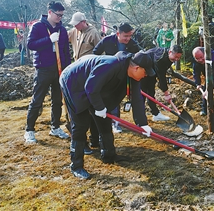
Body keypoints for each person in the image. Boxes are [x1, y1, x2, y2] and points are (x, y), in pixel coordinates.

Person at [59, 51, 155, 179]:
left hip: (93, 87)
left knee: (104, 119)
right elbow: (91, 88)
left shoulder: (133, 76)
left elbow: (137, 99)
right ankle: (76, 166)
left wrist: (143, 124)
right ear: (136, 68)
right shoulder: (111, 65)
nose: (146, 76)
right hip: (73, 82)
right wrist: (99, 107)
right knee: (81, 124)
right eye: (145, 72)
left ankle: (109, 155)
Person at [24, 1, 71, 143]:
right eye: (58, 15)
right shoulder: (37, 26)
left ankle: (55, 127)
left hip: (59, 68)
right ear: (50, 12)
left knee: (57, 100)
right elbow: (30, 45)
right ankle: (29, 130)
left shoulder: (62, 29)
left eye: (62, 15)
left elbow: (65, 51)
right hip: (43, 68)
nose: (60, 18)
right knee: (37, 100)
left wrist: (67, 69)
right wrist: (48, 40)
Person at [93, 22, 142, 134]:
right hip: (109, 76)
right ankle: (115, 122)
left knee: (127, 97)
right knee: (111, 99)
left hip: (125, 76)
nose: (128, 38)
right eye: (126, 36)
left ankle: (140, 123)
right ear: (118, 33)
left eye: (130, 36)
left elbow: (140, 55)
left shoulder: (132, 44)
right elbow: (95, 53)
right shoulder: (107, 41)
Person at [68, 11, 102, 154]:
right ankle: (86, 138)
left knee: (90, 106)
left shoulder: (93, 33)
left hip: (89, 72)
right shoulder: (75, 31)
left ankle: (95, 138)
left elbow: (101, 51)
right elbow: (64, 35)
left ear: (83, 22)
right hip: (77, 71)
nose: (75, 26)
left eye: (77, 24)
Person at [141, 45, 183, 121]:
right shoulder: (161, 59)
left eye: (179, 57)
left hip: (151, 72)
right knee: (142, 95)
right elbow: (161, 76)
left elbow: (161, 74)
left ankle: (156, 114)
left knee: (151, 93)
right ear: (170, 52)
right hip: (141, 72)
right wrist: (166, 94)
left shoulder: (168, 57)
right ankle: (141, 118)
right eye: (176, 57)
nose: (177, 59)